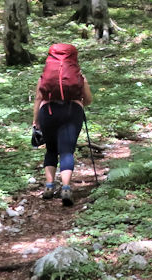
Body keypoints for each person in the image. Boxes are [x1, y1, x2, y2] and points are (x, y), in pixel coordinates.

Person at [32, 43, 93, 206]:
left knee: (51, 149)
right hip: (72, 112)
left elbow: (39, 98)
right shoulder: (78, 76)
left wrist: (36, 121)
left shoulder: (44, 76)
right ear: (73, 57)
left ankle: (49, 186)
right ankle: (66, 187)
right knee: (67, 151)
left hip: (48, 113)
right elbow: (88, 100)